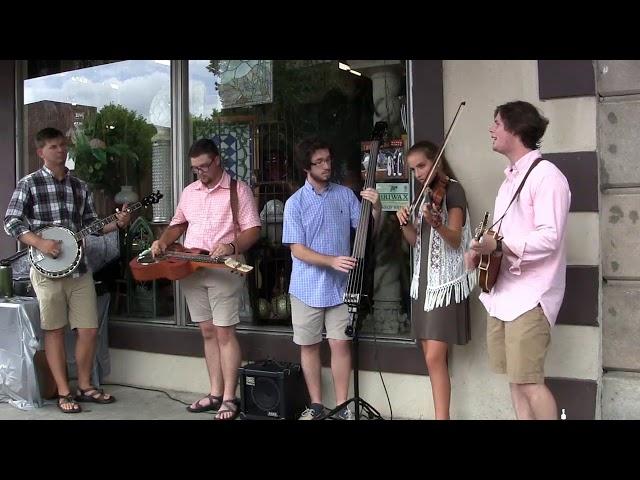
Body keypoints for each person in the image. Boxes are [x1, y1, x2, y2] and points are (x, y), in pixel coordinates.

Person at [4, 127, 131, 413]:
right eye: (53, 147)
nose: (60, 150)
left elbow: (93, 224)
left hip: (79, 269)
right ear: (41, 152)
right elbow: (11, 222)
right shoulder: (29, 184)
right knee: (55, 331)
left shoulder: (79, 186)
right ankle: (64, 392)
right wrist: (40, 242)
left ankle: (85, 386)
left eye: (62, 145)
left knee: (88, 330)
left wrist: (118, 223)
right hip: (47, 271)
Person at [466, 100, 571, 420]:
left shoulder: (548, 177)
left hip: (531, 296)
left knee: (529, 381)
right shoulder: (510, 180)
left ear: (515, 128)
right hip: (504, 294)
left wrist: (497, 243)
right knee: (515, 380)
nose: (491, 129)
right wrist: (479, 250)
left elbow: (549, 237)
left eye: (496, 123)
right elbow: (499, 238)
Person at [150, 138, 261, 421]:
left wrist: (232, 246)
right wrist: (162, 241)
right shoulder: (189, 192)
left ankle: (229, 398)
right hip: (192, 269)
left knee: (225, 333)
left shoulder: (238, 190)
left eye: (204, 166)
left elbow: (253, 230)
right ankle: (214, 393)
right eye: (195, 168)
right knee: (208, 332)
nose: (200, 172)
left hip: (225, 269)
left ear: (217, 160)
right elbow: (178, 224)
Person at [282, 137, 381, 420]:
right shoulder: (295, 203)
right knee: (310, 346)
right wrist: (331, 260)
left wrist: (375, 209)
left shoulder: (345, 194)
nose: (327, 166)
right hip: (305, 287)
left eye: (328, 160)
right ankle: (316, 405)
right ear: (306, 167)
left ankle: (343, 406)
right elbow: (296, 248)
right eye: (319, 162)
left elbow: (366, 234)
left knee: (340, 343)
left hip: (340, 287)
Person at [396, 141, 474, 420]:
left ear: (437, 161)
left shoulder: (453, 190)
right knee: (432, 359)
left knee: (434, 358)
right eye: (413, 168)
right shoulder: (424, 194)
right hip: (424, 283)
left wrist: (438, 223)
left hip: (444, 284)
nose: (417, 172)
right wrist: (405, 223)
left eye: (422, 165)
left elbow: (455, 239)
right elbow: (415, 241)